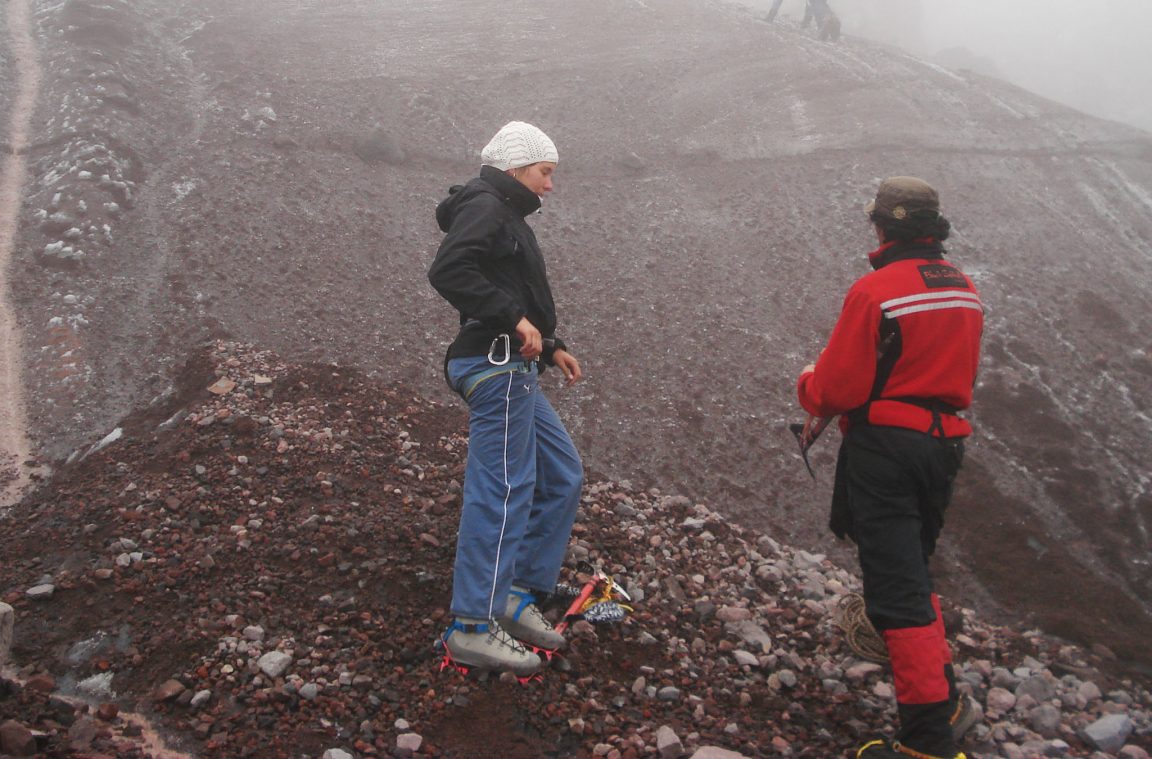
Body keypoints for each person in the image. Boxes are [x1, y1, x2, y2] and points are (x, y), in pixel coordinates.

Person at [796, 177, 983, 759]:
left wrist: (807, 384)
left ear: (881, 226)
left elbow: (837, 387)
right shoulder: (965, 289)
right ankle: (945, 701)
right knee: (913, 573)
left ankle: (927, 742)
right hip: (943, 447)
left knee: (896, 590)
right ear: (934, 227)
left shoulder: (877, 291)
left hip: (887, 453)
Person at [428, 121, 584, 676]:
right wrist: (514, 320)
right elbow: (449, 270)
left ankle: (516, 594)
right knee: (502, 487)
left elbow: (513, 292)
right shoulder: (488, 206)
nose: (550, 184)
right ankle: (472, 624)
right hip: (495, 365)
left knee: (562, 474)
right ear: (517, 167)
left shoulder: (504, 214)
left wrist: (551, 347)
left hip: (516, 363)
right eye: (546, 172)